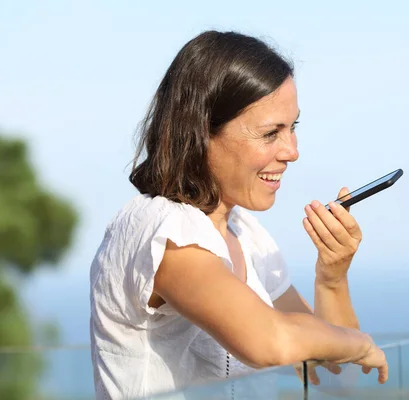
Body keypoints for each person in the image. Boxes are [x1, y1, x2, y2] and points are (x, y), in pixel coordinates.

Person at [89, 30, 388, 400]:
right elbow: (269, 341)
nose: (292, 151)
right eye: (270, 133)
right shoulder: (162, 230)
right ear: (201, 132)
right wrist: (359, 343)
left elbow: (334, 381)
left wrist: (331, 279)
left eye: (292, 128)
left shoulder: (248, 236)